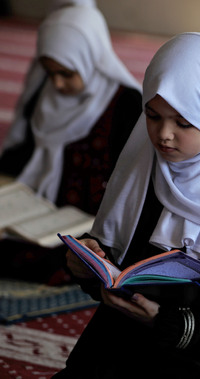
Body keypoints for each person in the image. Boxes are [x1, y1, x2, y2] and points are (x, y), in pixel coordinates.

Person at [53, 32, 200, 379]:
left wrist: (163, 320)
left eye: (183, 122)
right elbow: (119, 264)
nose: (163, 135)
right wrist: (89, 261)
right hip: (121, 341)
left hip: (199, 359)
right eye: (153, 116)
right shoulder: (143, 169)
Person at [0, 6, 141, 283]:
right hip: (39, 212)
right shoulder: (47, 94)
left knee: (69, 262)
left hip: (91, 221)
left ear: (90, 57)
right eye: (50, 73)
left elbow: (133, 179)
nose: (57, 83)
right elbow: (23, 155)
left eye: (65, 73)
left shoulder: (127, 104)